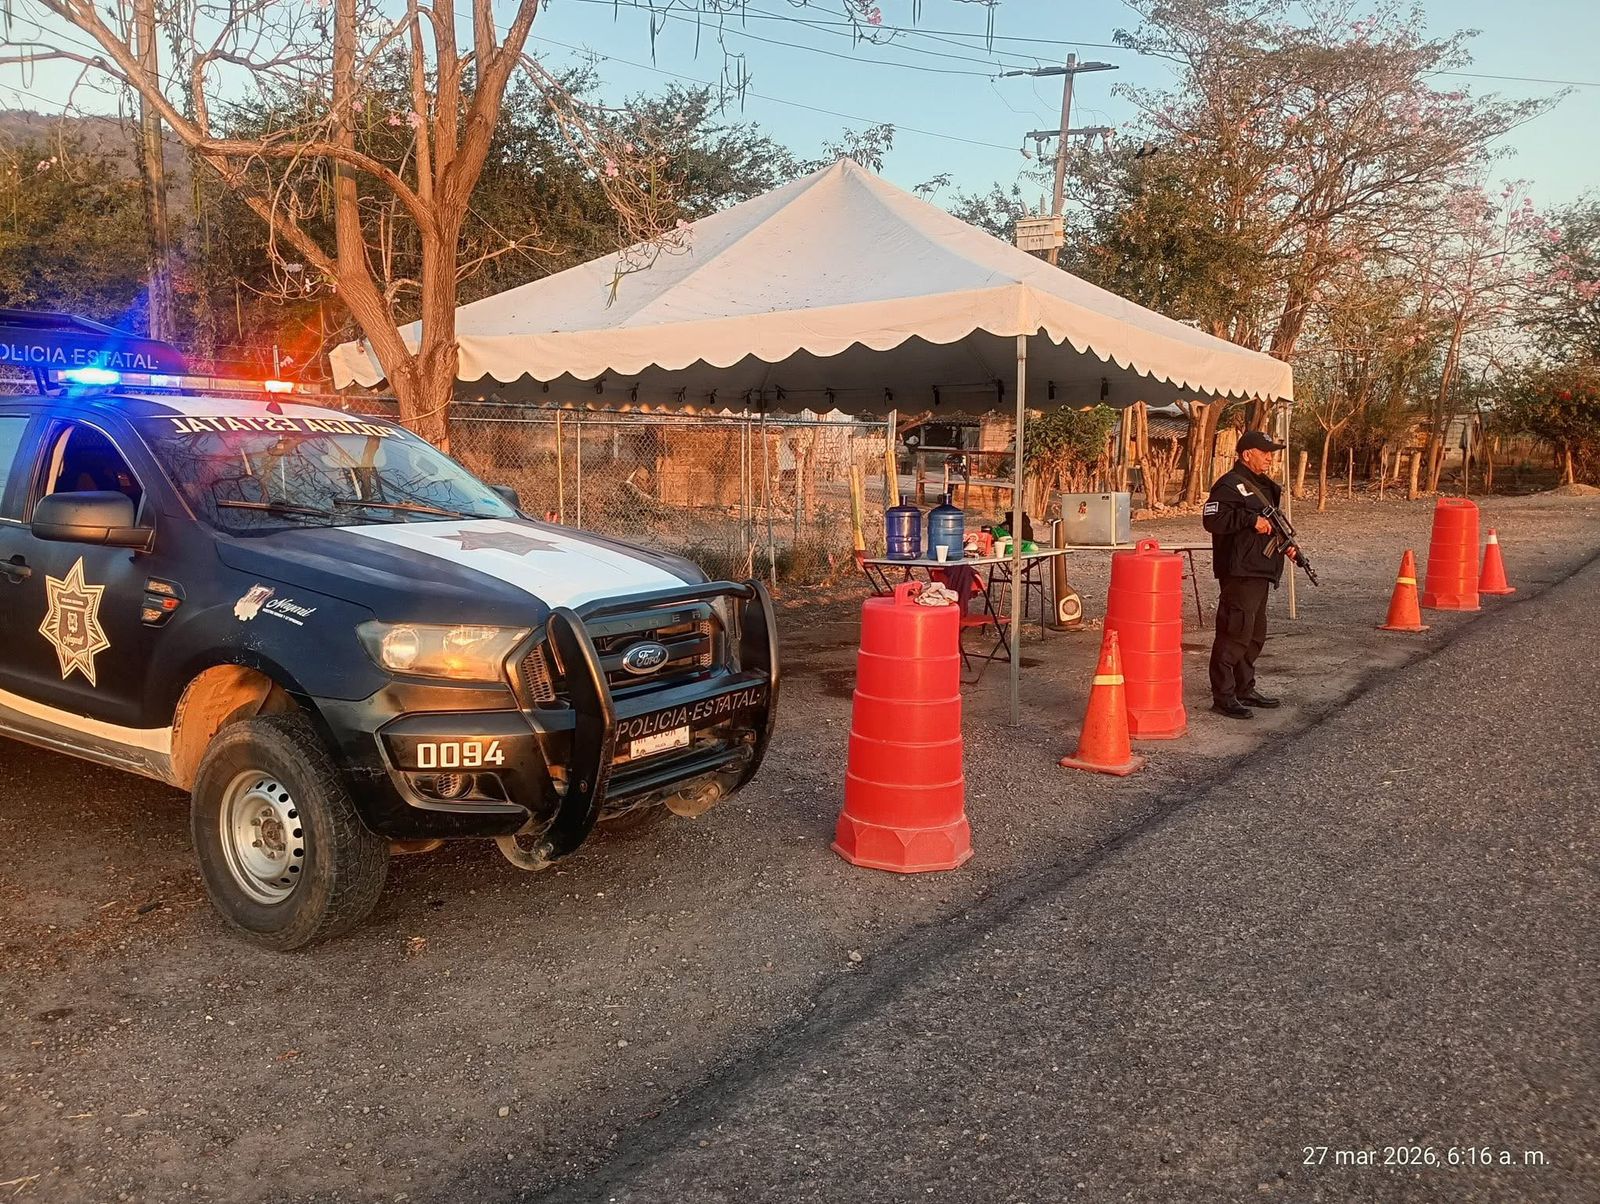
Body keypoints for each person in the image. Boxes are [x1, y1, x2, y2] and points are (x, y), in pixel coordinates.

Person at [1202, 430, 1297, 719]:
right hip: (1240, 571)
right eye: (1265, 452)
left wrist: (1287, 546)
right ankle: (1224, 696)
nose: (1270, 458)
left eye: (1271, 453)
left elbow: (1271, 525)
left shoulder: (1263, 485)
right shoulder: (1229, 485)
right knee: (1234, 632)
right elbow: (1212, 520)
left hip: (1260, 569)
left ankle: (1244, 688)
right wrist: (1249, 519)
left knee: (1254, 634)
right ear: (1247, 454)